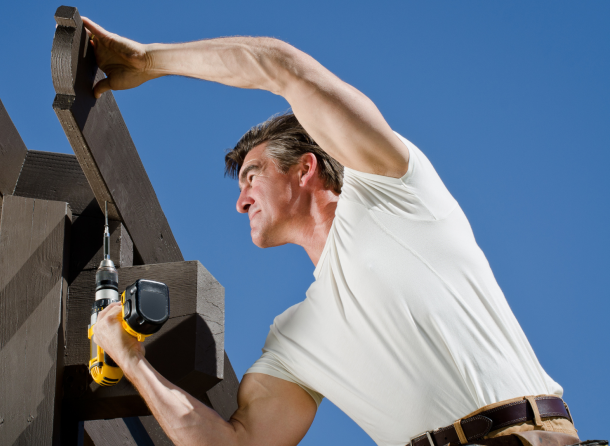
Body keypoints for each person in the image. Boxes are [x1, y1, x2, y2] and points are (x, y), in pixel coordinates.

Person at [84, 17, 581, 446]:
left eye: (252, 175)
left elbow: (282, 66)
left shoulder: (393, 193)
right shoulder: (295, 338)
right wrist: (131, 360)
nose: (241, 201)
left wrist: (147, 61)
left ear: (305, 169)